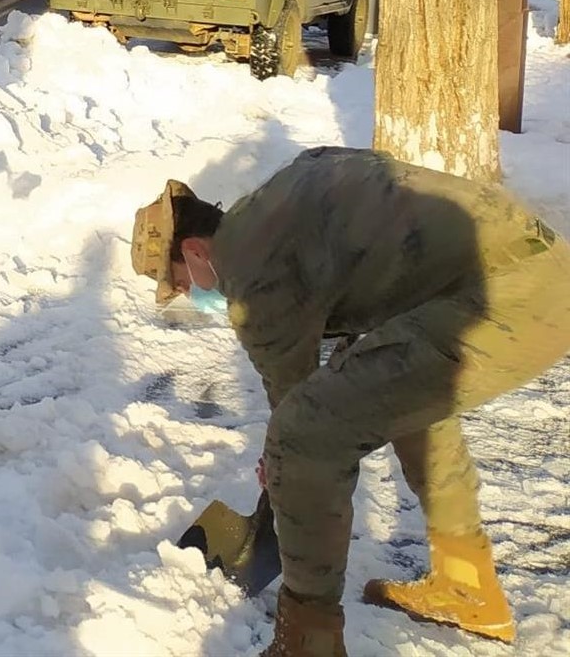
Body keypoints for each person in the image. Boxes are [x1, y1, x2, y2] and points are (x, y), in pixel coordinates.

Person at [130, 146, 570, 657]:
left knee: (303, 440)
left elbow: (296, 412)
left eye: (182, 284)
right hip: (540, 270)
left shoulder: (252, 274)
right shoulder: (275, 205)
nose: (191, 296)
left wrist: (278, 466)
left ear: (194, 253)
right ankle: (466, 583)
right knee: (403, 400)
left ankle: (306, 644)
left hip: (504, 296)